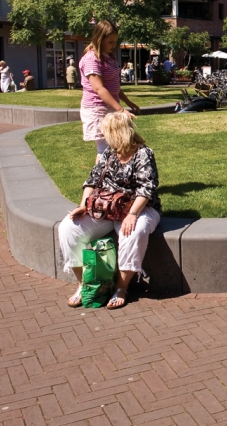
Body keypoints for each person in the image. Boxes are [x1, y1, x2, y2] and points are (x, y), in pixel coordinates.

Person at [58, 112, 162, 310]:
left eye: (106, 132)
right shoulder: (109, 152)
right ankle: (85, 285)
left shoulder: (143, 153)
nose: (103, 135)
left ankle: (121, 287)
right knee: (68, 228)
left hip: (140, 207)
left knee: (133, 232)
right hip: (107, 207)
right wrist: (83, 205)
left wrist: (132, 214)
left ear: (118, 133)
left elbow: (147, 188)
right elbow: (92, 180)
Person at [79, 20, 141, 163]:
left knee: (115, 146)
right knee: (104, 149)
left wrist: (128, 103)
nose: (114, 46)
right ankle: (98, 182)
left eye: (115, 42)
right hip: (97, 108)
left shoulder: (108, 57)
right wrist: (120, 110)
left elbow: (114, 86)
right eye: (110, 42)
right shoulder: (91, 59)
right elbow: (99, 88)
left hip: (110, 107)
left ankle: (109, 180)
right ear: (99, 39)